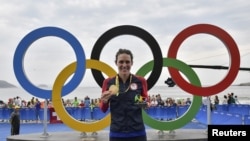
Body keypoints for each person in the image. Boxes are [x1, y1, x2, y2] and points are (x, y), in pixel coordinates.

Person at [100, 48, 148, 141]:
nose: (124, 65)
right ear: (116, 63)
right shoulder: (108, 82)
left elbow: (145, 106)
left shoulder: (141, 81)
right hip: (117, 133)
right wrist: (104, 101)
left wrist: (140, 100)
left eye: (127, 62)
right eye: (121, 62)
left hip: (138, 132)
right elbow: (103, 109)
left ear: (132, 63)